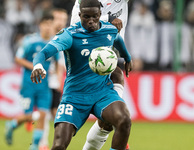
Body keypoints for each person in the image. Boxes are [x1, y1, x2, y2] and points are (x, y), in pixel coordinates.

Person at [30, 0, 133, 149]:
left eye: (94, 17)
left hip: (102, 93)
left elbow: (117, 40)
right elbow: (44, 52)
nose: (91, 21)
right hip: (75, 97)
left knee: (124, 120)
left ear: (100, 15)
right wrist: (38, 65)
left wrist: (127, 58)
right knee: (59, 145)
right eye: (86, 17)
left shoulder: (108, 29)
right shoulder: (69, 35)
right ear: (79, 15)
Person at [71, 0, 130, 149]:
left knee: (109, 122)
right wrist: (109, 23)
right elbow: (85, 25)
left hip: (110, 54)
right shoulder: (84, 7)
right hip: (87, 57)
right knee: (116, 74)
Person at [5, 15, 54, 150]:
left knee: (43, 116)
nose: (48, 27)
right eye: (46, 24)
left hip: (44, 86)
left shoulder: (53, 43)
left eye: (50, 24)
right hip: (29, 85)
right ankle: (12, 124)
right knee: (29, 116)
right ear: (40, 25)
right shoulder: (30, 41)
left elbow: (58, 62)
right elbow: (18, 59)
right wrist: (36, 66)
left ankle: (34, 147)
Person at [39, 8, 68, 150]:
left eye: (64, 19)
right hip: (47, 80)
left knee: (55, 113)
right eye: (59, 19)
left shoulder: (67, 36)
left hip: (56, 81)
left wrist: (60, 79)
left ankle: (54, 143)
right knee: (46, 112)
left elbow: (61, 63)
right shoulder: (47, 38)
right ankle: (43, 143)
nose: (61, 22)